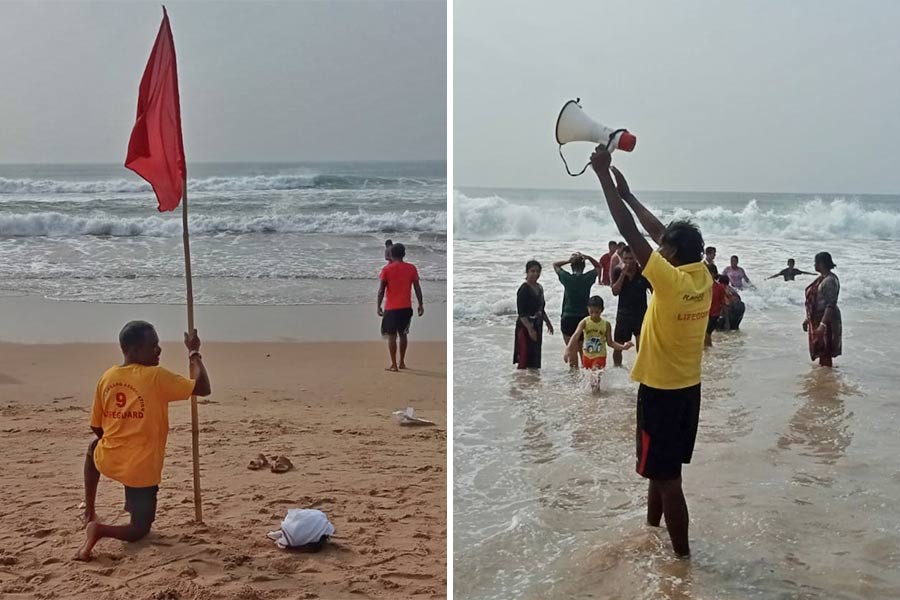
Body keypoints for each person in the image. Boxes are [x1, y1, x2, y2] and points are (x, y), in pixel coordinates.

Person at [592, 148, 712, 558]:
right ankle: (650, 531)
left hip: (660, 393)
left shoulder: (667, 280)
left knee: (667, 479)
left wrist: (604, 177)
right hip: (688, 391)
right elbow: (659, 233)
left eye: (664, 249)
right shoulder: (702, 276)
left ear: (671, 256)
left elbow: (630, 232)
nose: (657, 250)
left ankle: (682, 559)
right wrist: (630, 195)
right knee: (659, 471)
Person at [77, 321, 211, 561]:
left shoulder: (108, 377)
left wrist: (120, 439)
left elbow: (96, 426)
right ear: (135, 350)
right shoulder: (155, 377)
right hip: (141, 470)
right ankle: (99, 529)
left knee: (93, 447)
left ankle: (89, 509)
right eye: (153, 346)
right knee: (140, 529)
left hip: (109, 459)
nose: (159, 351)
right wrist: (193, 352)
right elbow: (202, 387)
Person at [563, 296, 633, 391]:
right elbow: (575, 335)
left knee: (595, 378)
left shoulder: (606, 324)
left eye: (597, 312)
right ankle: (594, 400)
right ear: (588, 309)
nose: (594, 315)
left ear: (602, 310)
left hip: (599, 357)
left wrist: (623, 347)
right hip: (587, 357)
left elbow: (610, 342)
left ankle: (596, 401)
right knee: (589, 382)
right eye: (591, 312)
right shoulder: (584, 322)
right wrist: (568, 349)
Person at [377, 243, 424, 372]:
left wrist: (378, 306)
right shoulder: (411, 268)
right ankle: (402, 362)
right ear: (404, 254)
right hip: (406, 307)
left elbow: (381, 290)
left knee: (392, 336)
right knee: (403, 335)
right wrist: (420, 304)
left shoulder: (386, 270)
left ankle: (394, 364)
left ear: (391, 254)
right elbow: (417, 288)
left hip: (391, 308)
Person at [610, 245, 652, 367]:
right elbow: (615, 292)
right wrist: (623, 275)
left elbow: (654, 290)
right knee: (618, 346)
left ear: (636, 258)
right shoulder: (618, 271)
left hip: (641, 314)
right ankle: (617, 368)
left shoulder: (643, 272)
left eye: (631, 258)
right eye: (626, 259)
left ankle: (641, 370)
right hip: (624, 315)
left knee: (642, 346)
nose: (628, 261)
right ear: (622, 259)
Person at [553, 252, 601, 355]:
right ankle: (586, 371)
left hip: (568, 317)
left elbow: (555, 265)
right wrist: (589, 257)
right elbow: (598, 267)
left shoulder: (567, 278)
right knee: (585, 354)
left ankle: (574, 371)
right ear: (584, 266)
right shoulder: (587, 278)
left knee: (572, 353)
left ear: (571, 266)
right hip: (584, 318)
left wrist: (569, 260)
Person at [803, 252, 842, 367]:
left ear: (821, 263)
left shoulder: (829, 281)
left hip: (827, 320)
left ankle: (827, 379)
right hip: (818, 318)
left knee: (826, 351)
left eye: (816, 262)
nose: (814, 265)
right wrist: (807, 319)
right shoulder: (822, 278)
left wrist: (822, 325)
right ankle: (825, 375)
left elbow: (831, 304)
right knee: (821, 350)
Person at [514, 260, 553, 369]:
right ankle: (521, 382)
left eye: (538, 271)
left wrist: (548, 322)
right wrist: (530, 329)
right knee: (524, 355)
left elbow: (541, 308)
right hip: (524, 326)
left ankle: (533, 382)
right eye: (532, 271)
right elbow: (521, 313)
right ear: (527, 272)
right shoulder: (524, 289)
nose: (535, 274)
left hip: (537, 324)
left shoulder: (539, 288)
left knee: (535, 357)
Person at [706, 267, 727, 347]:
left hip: (714, 315)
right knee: (705, 335)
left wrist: (726, 321)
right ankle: (709, 352)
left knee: (707, 334)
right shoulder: (703, 286)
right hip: (704, 314)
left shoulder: (720, 288)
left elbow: (723, 303)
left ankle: (709, 351)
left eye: (710, 273)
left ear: (714, 274)